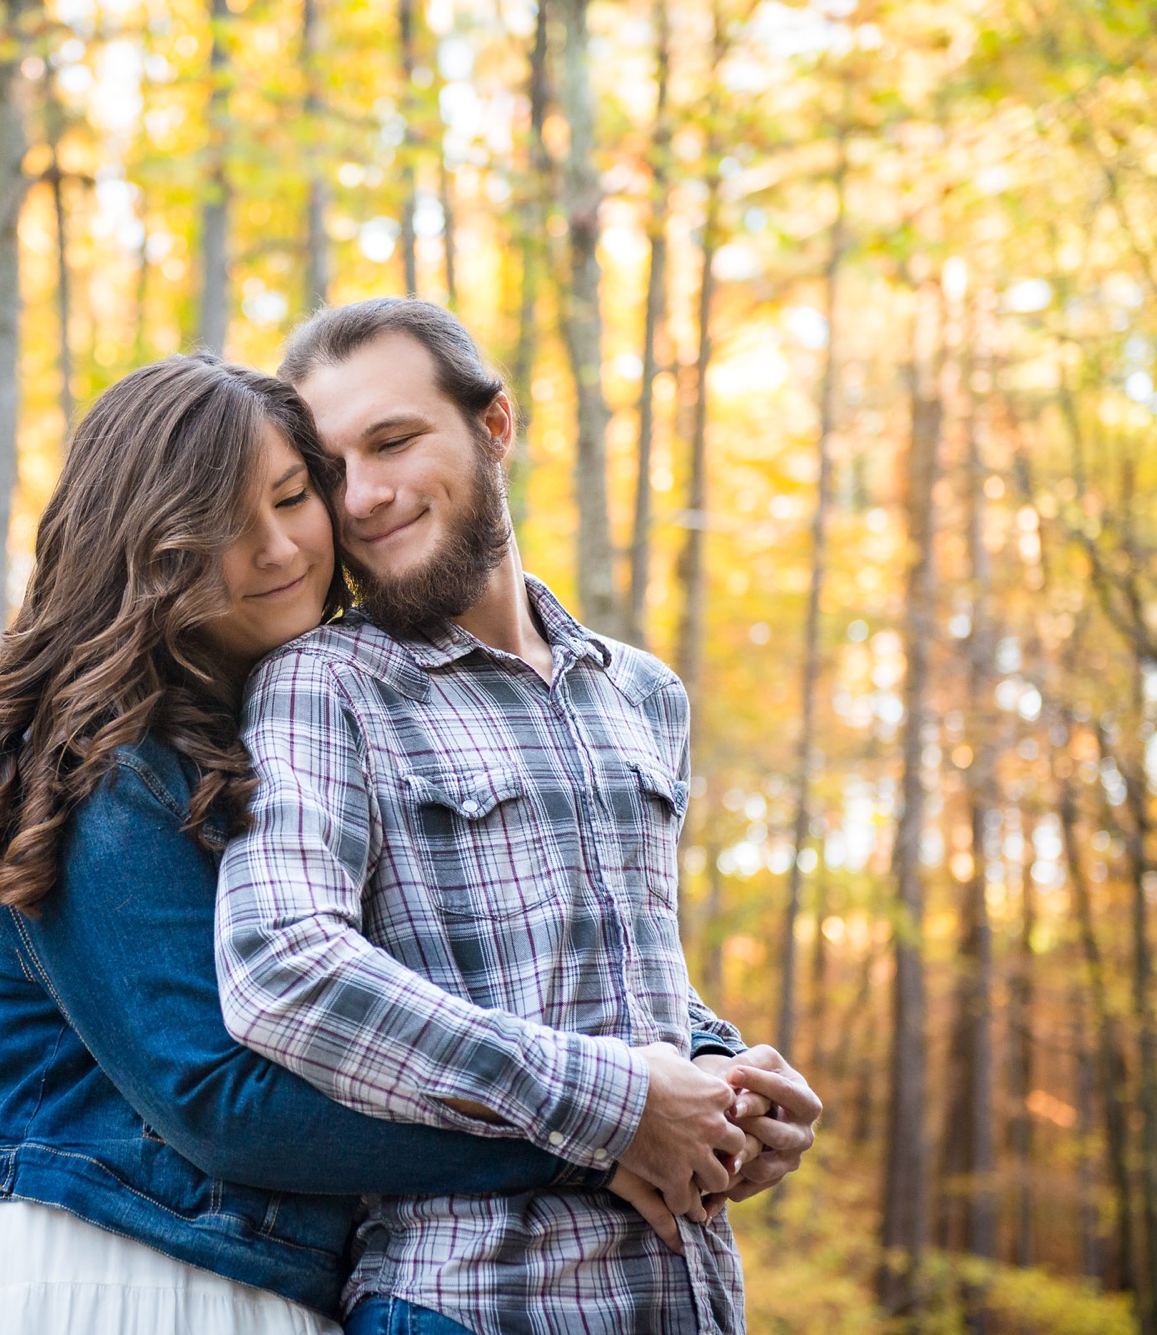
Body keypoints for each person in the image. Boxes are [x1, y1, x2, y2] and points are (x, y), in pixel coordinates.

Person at [0, 354, 729, 1335]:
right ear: (146, 550)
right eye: (218, 529)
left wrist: (705, 1075)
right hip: (108, 1273)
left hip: (278, 1288)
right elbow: (218, 1102)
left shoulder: (292, 747)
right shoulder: (109, 770)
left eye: (293, 497)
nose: (275, 550)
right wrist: (595, 1137)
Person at [217, 298, 823, 1335]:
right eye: (331, 472)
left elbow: (622, 983)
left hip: (687, 1296)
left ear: (493, 426)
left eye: (394, 441)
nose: (363, 498)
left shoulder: (640, 693)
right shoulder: (324, 685)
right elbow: (280, 967)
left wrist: (720, 1080)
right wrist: (620, 1101)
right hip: (464, 1298)